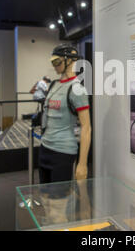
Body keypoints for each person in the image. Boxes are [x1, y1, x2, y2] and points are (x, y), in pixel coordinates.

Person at [39, 45, 91, 185]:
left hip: (62, 152)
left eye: (57, 62)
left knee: (59, 202)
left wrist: (82, 164)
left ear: (70, 61)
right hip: (45, 147)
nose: (54, 66)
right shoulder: (54, 85)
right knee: (46, 198)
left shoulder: (77, 89)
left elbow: (86, 127)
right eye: (53, 62)